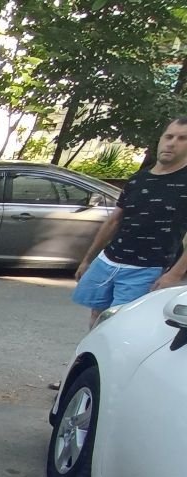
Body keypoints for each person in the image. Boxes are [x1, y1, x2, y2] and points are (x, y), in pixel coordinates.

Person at [71, 117, 187, 329]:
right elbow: (114, 221)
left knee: (120, 324)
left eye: (182, 138)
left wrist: (174, 274)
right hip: (109, 260)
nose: (172, 142)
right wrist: (88, 259)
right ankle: (91, 358)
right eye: (169, 136)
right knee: (97, 315)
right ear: (160, 139)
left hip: (146, 268)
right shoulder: (138, 179)